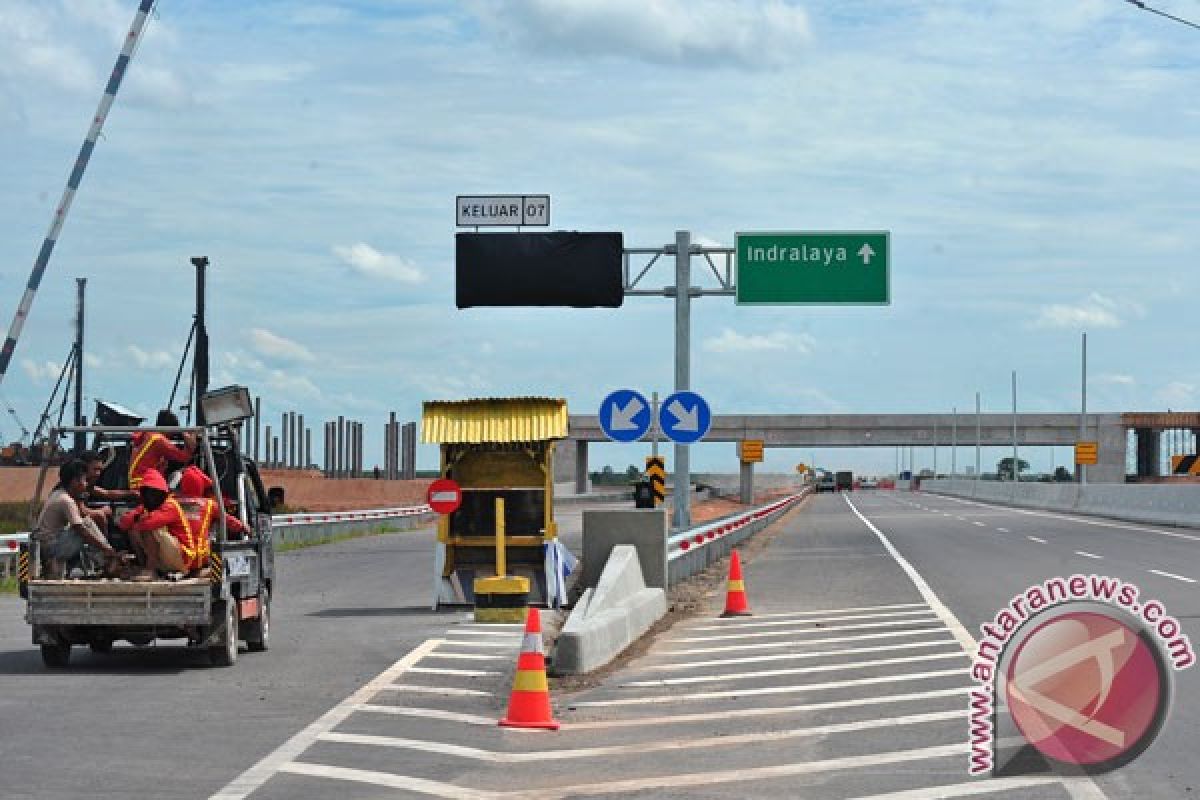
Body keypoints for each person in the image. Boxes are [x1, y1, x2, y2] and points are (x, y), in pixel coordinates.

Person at [32, 460, 118, 578]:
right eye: (84, 480)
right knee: (86, 524)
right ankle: (109, 563)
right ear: (75, 481)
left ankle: (102, 562)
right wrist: (106, 548)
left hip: (48, 544)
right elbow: (81, 530)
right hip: (51, 548)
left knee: (84, 527)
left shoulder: (58, 493)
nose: (86, 484)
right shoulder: (67, 501)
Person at [117, 469, 203, 580]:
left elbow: (148, 524)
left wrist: (138, 519)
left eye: (154, 492)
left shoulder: (170, 505)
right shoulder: (146, 507)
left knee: (148, 527)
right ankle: (143, 566)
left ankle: (150, 570)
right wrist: (136, 518)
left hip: (183, 558)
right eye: (147, 492)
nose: (151, 496)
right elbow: (123, 523)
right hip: (168, 556)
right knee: (134, 529)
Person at [176, 464, 249, 543]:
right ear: (200, 486)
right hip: (201, 552)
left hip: (178, 551)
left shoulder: (173, 503)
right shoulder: (209, 505)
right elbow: (227, 519)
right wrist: (242, 527)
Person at [128, 410, 196, 489]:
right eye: (173, 432)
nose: (171, 437)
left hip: (135, 482)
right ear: (169, 429)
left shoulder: (147, 435)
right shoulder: (159, 440)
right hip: (145, 484)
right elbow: (184, 458)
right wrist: (188, 437)